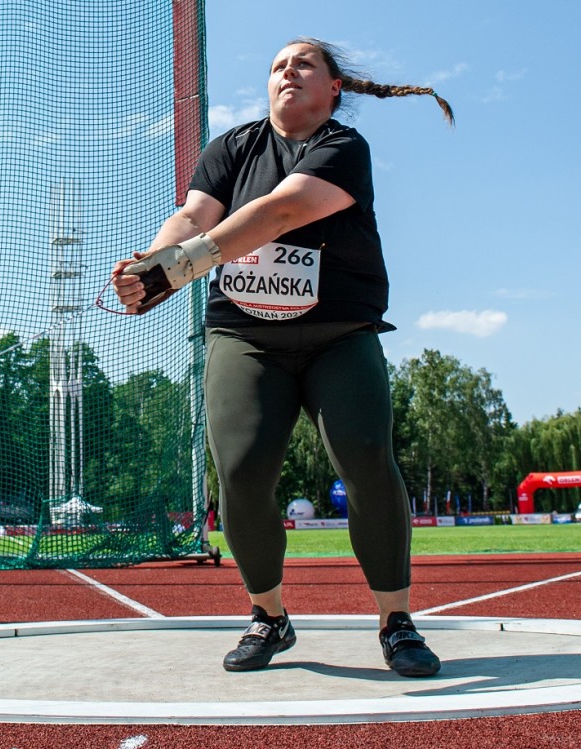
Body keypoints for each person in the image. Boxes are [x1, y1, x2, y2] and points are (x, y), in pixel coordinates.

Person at [111, 37, 453, 678]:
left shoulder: (343, 148)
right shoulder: (231, 149)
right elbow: (191, 217)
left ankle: (396, 622)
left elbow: (282, 210)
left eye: (304, 64)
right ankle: (268, 616)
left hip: (338, 335)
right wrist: (149, 267)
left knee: (367, 459)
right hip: (246, 337)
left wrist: (185, 266)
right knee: (238, 472)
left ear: (334, 90)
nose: (287, 73)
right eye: (276, 66)